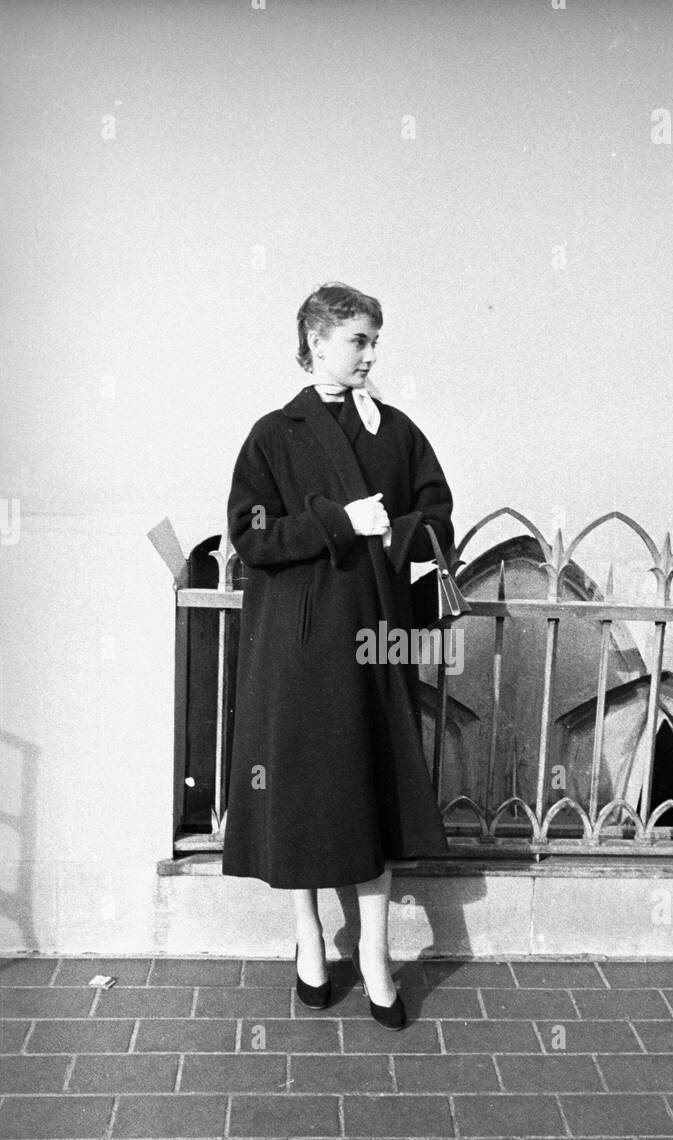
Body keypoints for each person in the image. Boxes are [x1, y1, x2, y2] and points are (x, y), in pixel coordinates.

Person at [222, 282, 457, 1029]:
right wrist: (336, 522)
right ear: (317, 342)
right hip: (296, 648)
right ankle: (311, 941)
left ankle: (377, 957)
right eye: (358, 339)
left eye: (374, 340)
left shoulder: (396, 431)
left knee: (370, 794)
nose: (370, 354)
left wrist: (393, 531)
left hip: (372, 641)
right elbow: (251, 535)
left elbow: (438, 517)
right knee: (300, 799)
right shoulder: (273, 434)